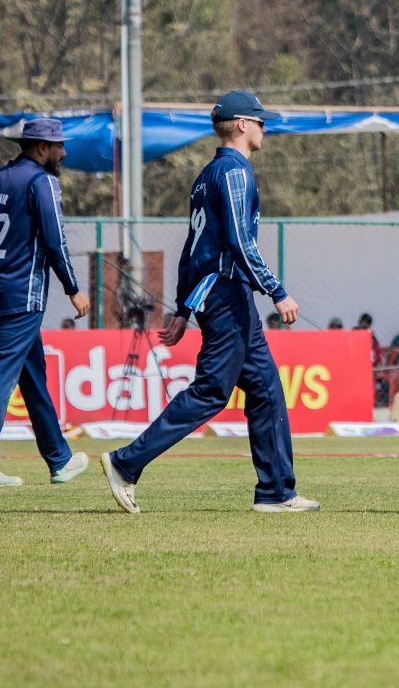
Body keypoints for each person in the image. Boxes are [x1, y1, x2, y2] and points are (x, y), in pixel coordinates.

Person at [100, 90, 318, 514]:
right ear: (241, 125)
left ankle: (276, 491)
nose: (264, 127)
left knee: (266, 389)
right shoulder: (235, 172)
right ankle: (126, 463)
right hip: (226, 294)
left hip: (221, 294)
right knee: (211, 392)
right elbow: (239, 242)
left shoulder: (207, 175)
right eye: (260, 121)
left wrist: (183, 310)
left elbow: (192, 247)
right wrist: (277, 290)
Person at [0, 118, 91, 488]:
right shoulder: (42, 181)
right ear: (41, 149)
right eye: (59, 146)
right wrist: (73, 288)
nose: (64, 151)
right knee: (4, 373)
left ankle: (59, 459)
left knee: (33, 376)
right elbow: (55, 239)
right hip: (23, 292)